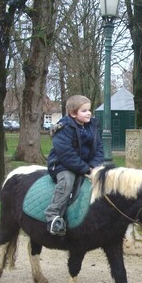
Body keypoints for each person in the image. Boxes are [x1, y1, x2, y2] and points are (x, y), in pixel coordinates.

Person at [45, 95, 104, 235]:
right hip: (62, 165)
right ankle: (53, 216)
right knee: (67, 181)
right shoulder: (64, 127)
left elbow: (99, 148)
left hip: (87, 165)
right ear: (72, 113)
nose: (89, 113)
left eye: (89, 110)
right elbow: (66, 154)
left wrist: (94, 166)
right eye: (84, 111)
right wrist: (85, 168)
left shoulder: (93, 126)